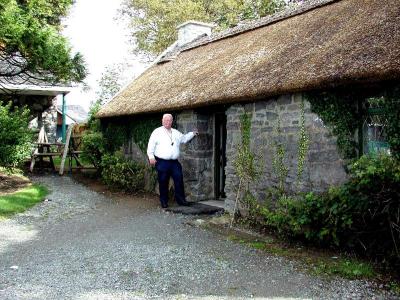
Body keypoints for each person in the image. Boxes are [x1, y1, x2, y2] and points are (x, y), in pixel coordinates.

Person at [147, 113, 198, 208]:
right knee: (163, 181)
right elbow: (151, 145)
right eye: (166, 120)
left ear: (172, 121)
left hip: (174, 162)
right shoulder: (157, 132)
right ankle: (164, 201)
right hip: (162, 162)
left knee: (179, 179)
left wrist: (192, 134)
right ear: (162, 121)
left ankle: (181, 200)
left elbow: (184, 138)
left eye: (169, 120)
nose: (167, 122)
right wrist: (151, 157)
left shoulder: (175, 132)